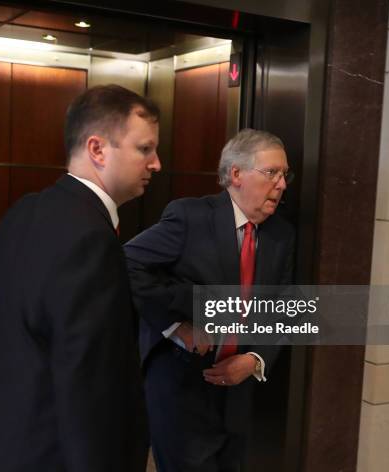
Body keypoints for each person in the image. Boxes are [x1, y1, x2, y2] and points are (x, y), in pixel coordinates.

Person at [0, 84, 161, 472]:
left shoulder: (26, 210)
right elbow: (86, 374)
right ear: (97, 149)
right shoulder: (92, 237)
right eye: (145, 149)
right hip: (57, 451)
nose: (156, 163)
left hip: (9, 438)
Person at [124, 128, 295, 471]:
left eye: (284, 174)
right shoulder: (190, 217)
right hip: (182, 383)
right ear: (236, 174)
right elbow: (126, 263)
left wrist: (255, 358)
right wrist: (177, 326)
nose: (281, 184)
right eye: (271, 172)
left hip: (240, 392)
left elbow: (287, 305)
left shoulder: (281, 235)